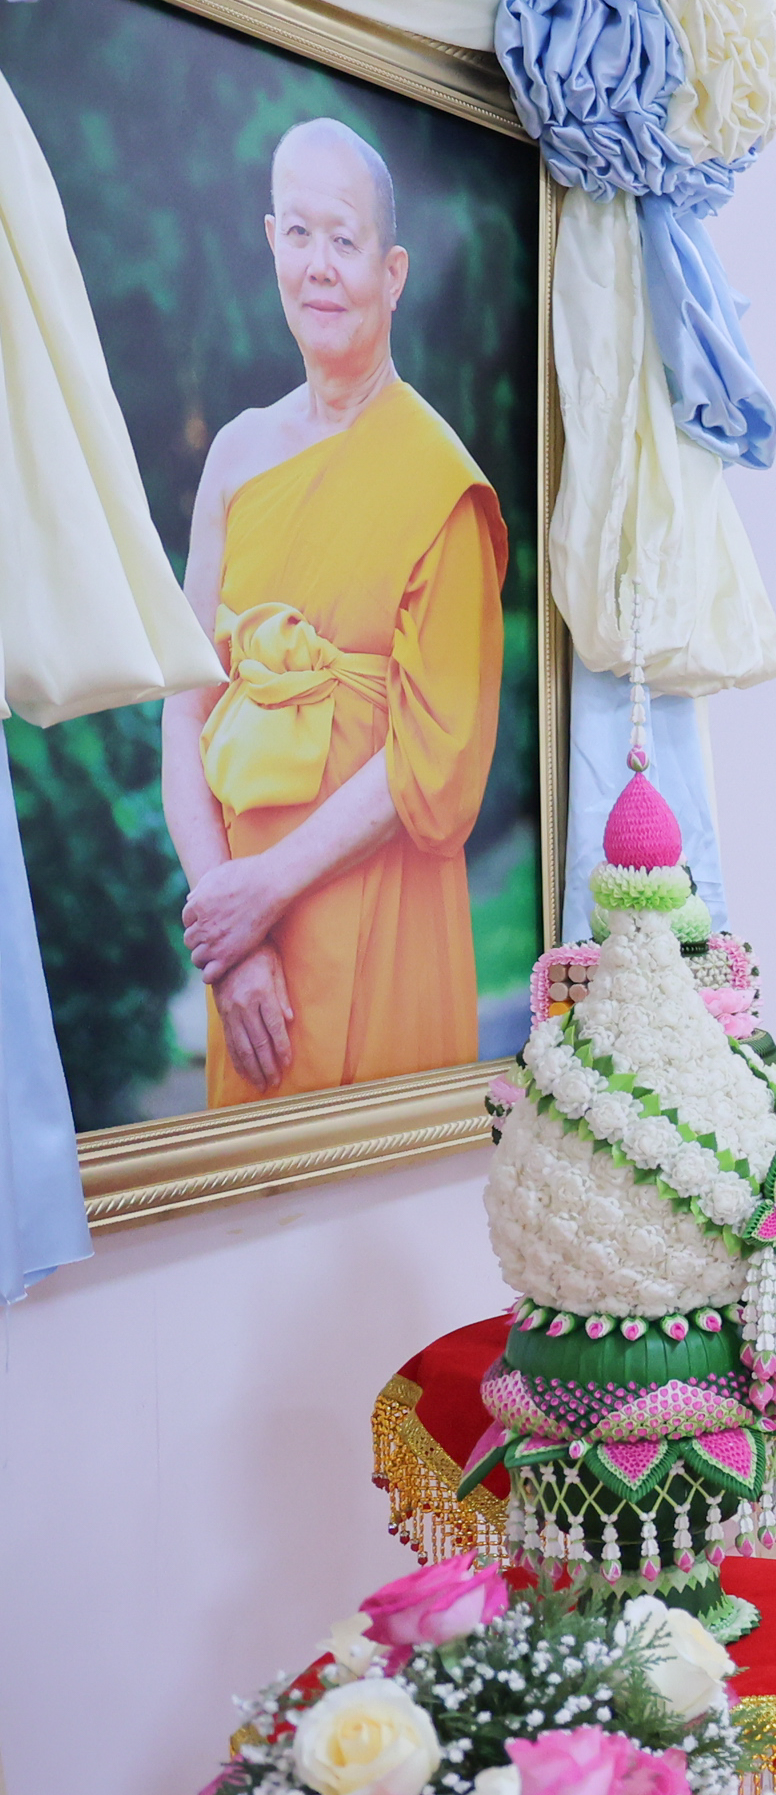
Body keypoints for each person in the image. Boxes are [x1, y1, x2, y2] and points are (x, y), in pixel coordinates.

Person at [158, 116, 508, 1106]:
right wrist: (231, 936)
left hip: (382, 925)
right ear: (272, 241)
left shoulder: (440, 482)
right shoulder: (236, 455)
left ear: (392, 273)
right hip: (248, 959)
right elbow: (185, 705)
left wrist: (265, 890)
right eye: (301, 234)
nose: (320, 266)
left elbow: (434, 758)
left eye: (345, 240)